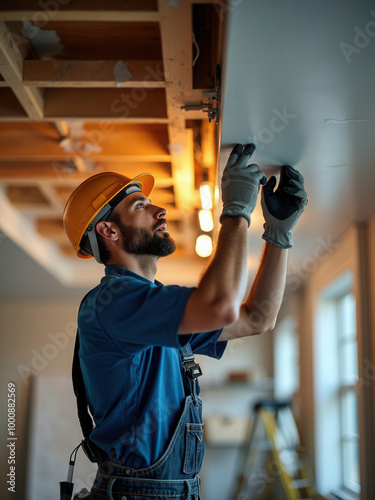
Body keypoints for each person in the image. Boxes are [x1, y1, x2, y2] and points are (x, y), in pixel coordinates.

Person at [63, 143, 307, 500]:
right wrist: (236, 210)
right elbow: (222, 306)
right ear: (109, 231)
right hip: (137, 492)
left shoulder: (156, 304)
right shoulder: (110, 304)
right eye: (140, 206)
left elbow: (258, 318)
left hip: (171, 490)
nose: (159, 210)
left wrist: (278, 235)